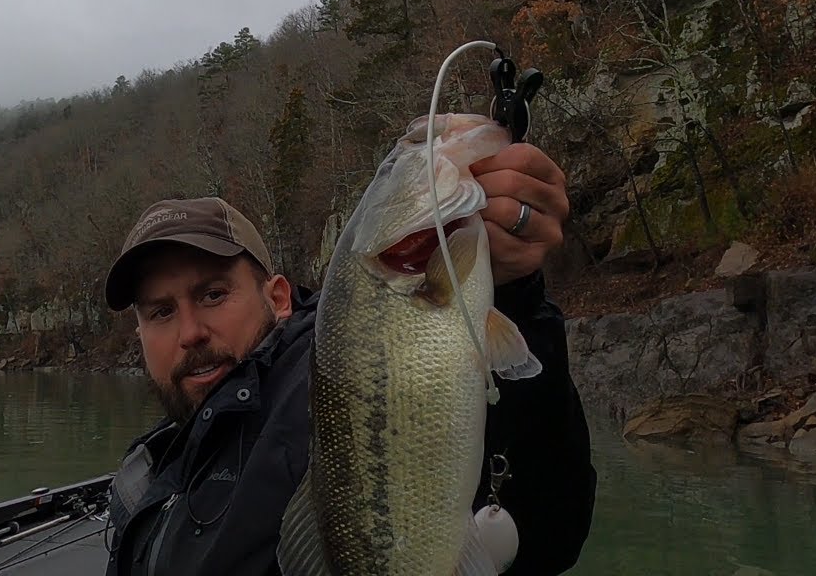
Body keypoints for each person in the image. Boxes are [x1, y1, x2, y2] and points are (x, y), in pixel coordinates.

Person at [101, 143, 596, 575]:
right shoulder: (160, 457)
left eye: (212, 295)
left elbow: (546, 521)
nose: (190, 333)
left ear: (277, 299)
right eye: (161, 312)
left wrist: (513, 296)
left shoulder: (320, 381)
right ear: (140, 333)